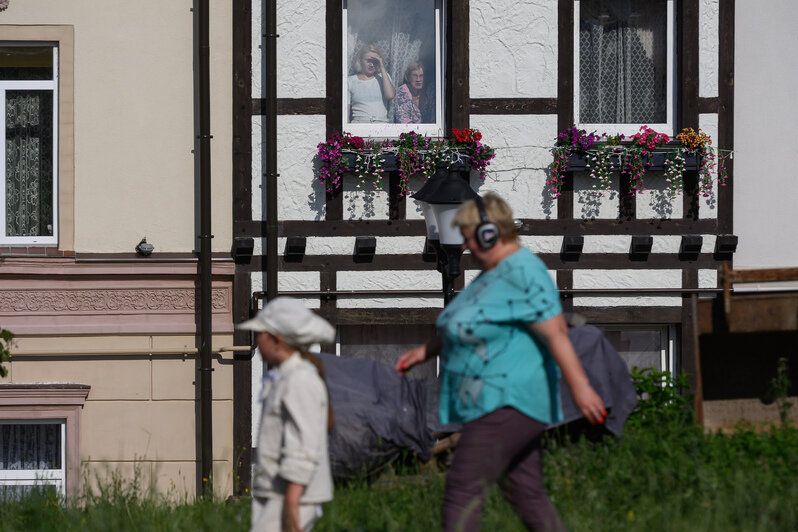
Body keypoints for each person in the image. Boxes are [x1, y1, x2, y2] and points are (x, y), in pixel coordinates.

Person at [395, 192, 606, 532]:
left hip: (506, 400)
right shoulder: (494, 274)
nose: (464, 246)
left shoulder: (523, 271)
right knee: (525, 494)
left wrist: (582, 389)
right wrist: (426, 350)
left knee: (462, 491)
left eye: (467, 237)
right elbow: (477, 323)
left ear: (489, 233)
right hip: (493, 402)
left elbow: (554, 332)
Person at [238, 297, 336, 532]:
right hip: (280, 494)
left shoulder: (300, 379)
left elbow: (304, 444)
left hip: (291, 496)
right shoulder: (287, 376)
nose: (256, 340)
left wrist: (292, 502)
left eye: (259, 333)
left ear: (276, 339)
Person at [348, 44, 395, 123]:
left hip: (381, 124)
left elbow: (390, 95)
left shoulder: (383, 77)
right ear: (360, 60)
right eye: (369, 61)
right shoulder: (350, 81)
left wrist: (382, 67)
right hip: (359, 125)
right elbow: (346, 112)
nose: (372, 65)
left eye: (375, 61)